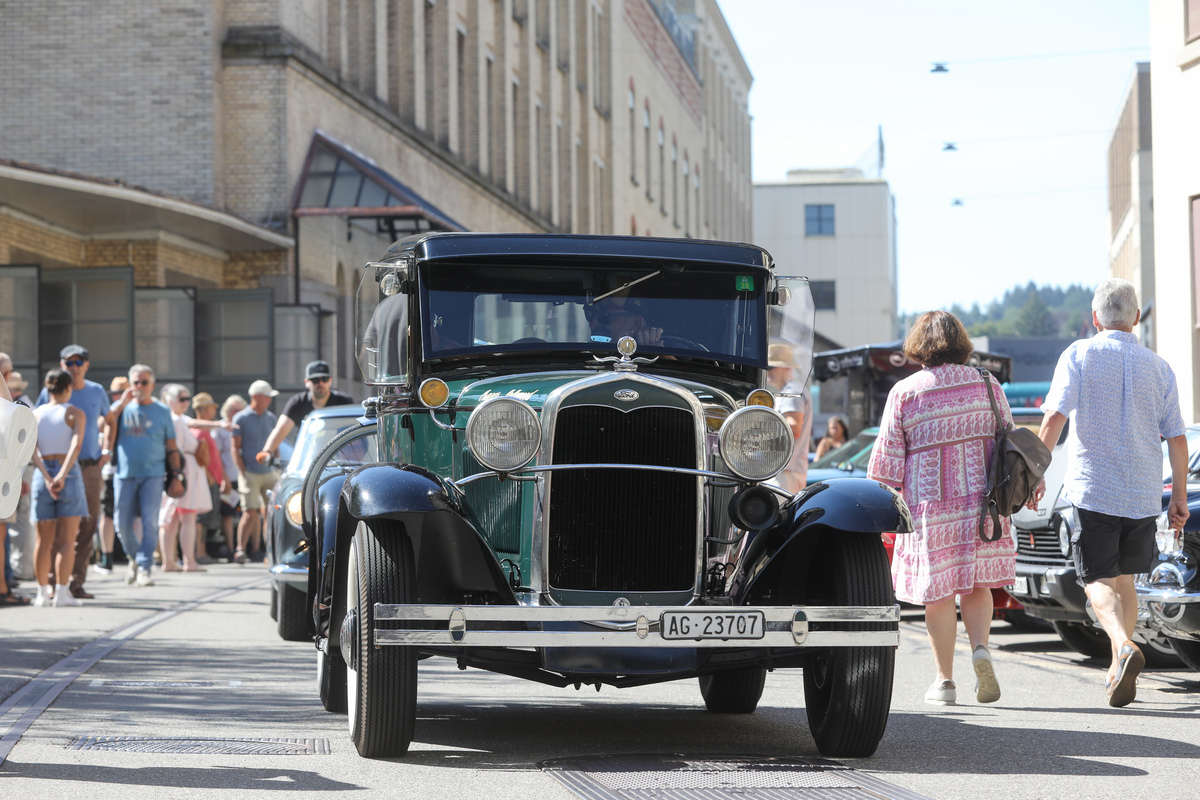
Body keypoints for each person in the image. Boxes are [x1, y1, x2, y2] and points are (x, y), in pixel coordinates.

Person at [1034, 278, 1189, 708]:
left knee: (1095, 581)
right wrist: (1177, 497)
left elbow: (1054, 419)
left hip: (1094, 489)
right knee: (1125, 581)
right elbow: (1177, 438)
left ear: (1094, 317)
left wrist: (1035, 472)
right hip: (1142, 493)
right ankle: (1117, 669)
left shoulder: (1079, 354)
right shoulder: (1159, 367)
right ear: (1137, 318)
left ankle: (1122, 646)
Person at [866, 310, 1018, 707]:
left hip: (931, 509)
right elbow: (1011, 443)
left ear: (919, 346)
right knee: (977, 584)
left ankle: (944, 682)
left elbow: (886, 465)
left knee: (939, 595)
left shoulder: (907, 391)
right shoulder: (988, 384)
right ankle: (981, 649)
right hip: (984, 505)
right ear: (961, 343)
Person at [36, 345, 110, 600]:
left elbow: (109, 420)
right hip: (64, 469)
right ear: (62, 366)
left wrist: (107, 446)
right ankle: (56, 585)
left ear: (86, 365)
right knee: (59, 532)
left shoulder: (96, 391)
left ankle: (72, 583)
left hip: (88, 466)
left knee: (86, 528)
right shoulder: (52, 394)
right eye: (69, 363)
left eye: (79, 362)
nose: (74, 367)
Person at [105, 365, 178, 587]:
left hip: (153, 475)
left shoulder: (162, 411)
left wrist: (177, 475)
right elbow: (103, 423)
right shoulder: (121, 408)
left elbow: (172, 446)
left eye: (143, 383)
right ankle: (135, 558)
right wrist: (121, 403)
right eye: (135, 382)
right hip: (125, 474)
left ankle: (144, 567)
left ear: (152, 385)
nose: (139, 387)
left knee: (149, 523)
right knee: (121, 523)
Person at [31, 369, 88, 607]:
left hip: (41, 472)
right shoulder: (75, 413)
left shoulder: (35, 414)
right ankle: (62, 593)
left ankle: (42, 593)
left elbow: (30, 449)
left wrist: (46, 475)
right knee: (67, 539)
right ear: (69, 388)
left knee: (43, 541)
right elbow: (76, 445)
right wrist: (62, 475)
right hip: (69, 473)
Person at [157, 384, 211, 572]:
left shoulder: (173, 419)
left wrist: (220, 424)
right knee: (187, 518)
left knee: (170, 520)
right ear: (170, 400)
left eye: (188, 399)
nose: (186, 403)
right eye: (182, 399)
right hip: (183, 470)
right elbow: (190, 435)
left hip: (175, 470)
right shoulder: (176, 420)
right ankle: (189, 561)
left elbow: (195, 423)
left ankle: (169, 562)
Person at [257, 361, 355, 464]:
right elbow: (281, 428)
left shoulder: (344, 402)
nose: (320, 384)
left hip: (339, 460)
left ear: (330, 381)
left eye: (324, 379)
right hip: (306, 460)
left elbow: (355, 432)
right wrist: (267, 451)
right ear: (307, 382)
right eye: (315, 380)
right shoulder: (298, 402)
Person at [231, 381, 279, 565]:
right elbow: (235, 448)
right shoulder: (240, 418)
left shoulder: (271, 418)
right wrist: (242, 471)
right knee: (249, 512)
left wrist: (276, 466)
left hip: (269, 471)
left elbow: (276, 445)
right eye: (267, 396)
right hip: (250, 472)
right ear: (256, 397)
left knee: (271, 512)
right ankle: (240, 550)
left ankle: (270, 552)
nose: (269, 400)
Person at [766, 343, 813, 493]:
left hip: (786, 472)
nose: (768, 371)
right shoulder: (790, 390)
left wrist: (760, 430)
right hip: (786, 471)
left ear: (787, 368)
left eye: (772, 367)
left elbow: (793, 428)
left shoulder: (791, 391)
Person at [95, 376, 129, 575]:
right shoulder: (113, 410)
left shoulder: (139, 409)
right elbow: (100, 424)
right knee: (107, 513)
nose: (117, 397)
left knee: (134, 514)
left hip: (132, 470)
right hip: (111, 470)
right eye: (115, 394)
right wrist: (120, 403)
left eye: (121, 393)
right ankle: (106, 558)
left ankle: (133, 558)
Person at [189, 392, 228, 564]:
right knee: (201, 520)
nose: (214, 411)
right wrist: (209, 477)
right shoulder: (199, 432)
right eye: (212, 408)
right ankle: (200, 552)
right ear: (204, 410)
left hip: (211, 480)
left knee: (204, 519)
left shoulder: (204, 431)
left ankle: (200, 551)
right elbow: (198, 459)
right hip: (206, 481)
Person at [215, 395, 246, 560]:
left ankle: (249, 547)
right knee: (227, 514)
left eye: (239, 410)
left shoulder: (244, 425)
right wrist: (224, 478)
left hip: (244, 475)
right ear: (227, 410)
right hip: (228, 476)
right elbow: (217, 456)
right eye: (233, 409)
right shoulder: (220, 428)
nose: (236, 413)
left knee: (249, 512)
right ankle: (231, 547)